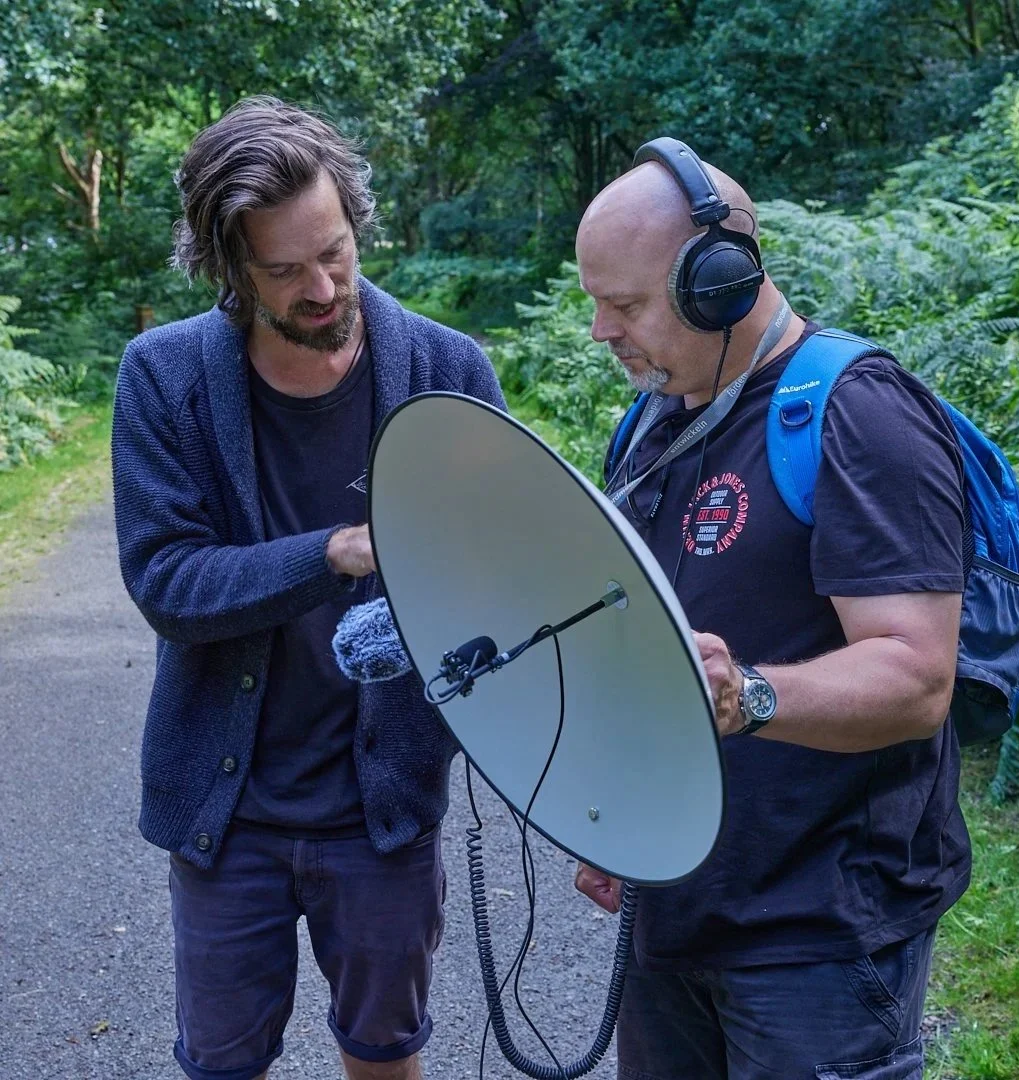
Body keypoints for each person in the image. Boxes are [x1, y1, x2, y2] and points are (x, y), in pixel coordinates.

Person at [111, 97, 504, 1080]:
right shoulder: (165, 380)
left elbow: (508, 586)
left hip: (383, 812)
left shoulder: (450, 373)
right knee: (222, 1061)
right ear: (227, 266)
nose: (323, 287)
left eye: (334, 252)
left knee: (385, 1052)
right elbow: (166, 581)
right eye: (285, 270)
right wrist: (333, 553)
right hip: (225, 814)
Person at [573, 144, 970, 1079]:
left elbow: (916, 678)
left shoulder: (860, 416)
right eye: (595, 300)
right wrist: (613, 817)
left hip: (815, 937)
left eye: (625, 305)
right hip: (675, 912)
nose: (600, 331)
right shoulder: (653, 422)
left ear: (719, 282)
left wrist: (748, 694)